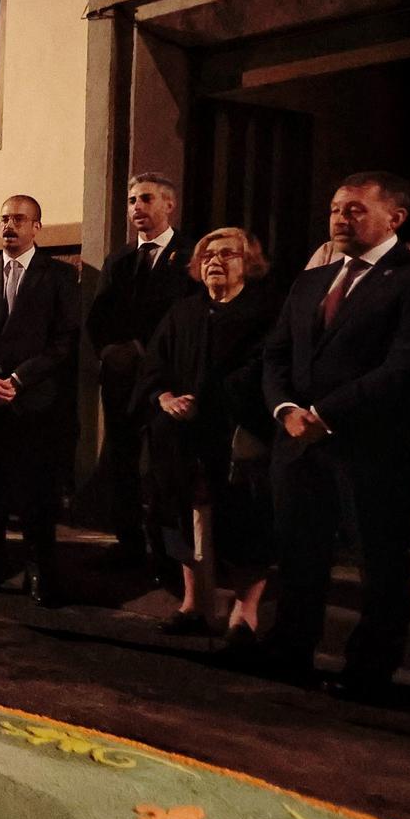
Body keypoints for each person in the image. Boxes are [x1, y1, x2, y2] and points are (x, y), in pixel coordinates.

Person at [259, 171, 410, 697]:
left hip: (374, 446)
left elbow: (406, 365)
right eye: (335, 209)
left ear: (395, 219)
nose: (341, 219)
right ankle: (289, 649)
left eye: (355, 210)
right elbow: (277, 353)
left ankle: (369, 670)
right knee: (301, 552)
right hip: (298, 442)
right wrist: (284, 410)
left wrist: (325, 411)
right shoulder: (311, 282)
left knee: (378, 559)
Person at [133, 228, 281, 642]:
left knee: (244, 523)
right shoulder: (183, 312)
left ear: (249, 263)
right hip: (181, 434)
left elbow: (263, 369)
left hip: (237, 433)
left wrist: (209, 399)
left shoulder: (265, 313)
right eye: (207, 255)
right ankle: (194, 604)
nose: (215, 261)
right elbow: (154, 364)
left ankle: (244, 611)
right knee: (182, 516)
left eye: (227, 253)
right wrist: (163, 396)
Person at [0, 194, 82, 606]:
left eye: (19, 220)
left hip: (34, 404)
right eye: (4, 219)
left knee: (36, 493)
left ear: (36, 227)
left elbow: (65, 341)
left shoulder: (59, 276)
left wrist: (20, 379)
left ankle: (40, 569)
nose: (10, 226)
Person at [86, 174, 197, 568]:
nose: (136, 207)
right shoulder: (120, 260)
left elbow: (189, 317)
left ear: (169, 205)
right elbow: (98, 317)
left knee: (165, 465)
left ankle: (169, 553)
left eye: (145, 199)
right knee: (122, 460)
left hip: (167, 380)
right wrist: (109, 351)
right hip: (121, 379)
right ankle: (128, 543)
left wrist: (143, 350)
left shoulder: (191, 256)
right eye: (131, 199)